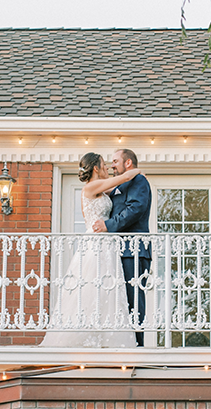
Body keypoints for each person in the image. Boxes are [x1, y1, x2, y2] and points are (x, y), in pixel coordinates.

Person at [40, 152, 143, 348]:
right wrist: (137, 171)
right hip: (96, 243)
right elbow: (124, 177)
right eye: (104, 165)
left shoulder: (101, 191)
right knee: (92, 284)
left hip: (106, 243)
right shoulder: (90, 187)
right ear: (96, 168)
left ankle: (105, 334)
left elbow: (118, 187)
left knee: (107, 287)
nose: (107, 169)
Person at [90, 148, 153, 347]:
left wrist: (108, 225)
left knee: (133, 298)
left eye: (115, 161)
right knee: (117, 299)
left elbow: (135, 209)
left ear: (128, 163)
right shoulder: (121, 184)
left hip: (132, 249)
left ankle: (138, 344)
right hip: (115, 251)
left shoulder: (138, 181)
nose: (111, 165)